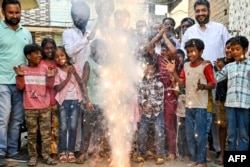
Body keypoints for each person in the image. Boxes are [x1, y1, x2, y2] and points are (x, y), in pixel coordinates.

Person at [181, 0, 229, 159]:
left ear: (209, 11)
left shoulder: (219, 28)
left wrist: (223, 61)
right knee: (201, 116)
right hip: (196, 83)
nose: (201, 13)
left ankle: (219, 148)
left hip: (218, 78)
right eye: (198, 11)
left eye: (203, 10)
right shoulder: (190, 32)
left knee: (217, 116)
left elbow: (227, 50)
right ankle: (204, 150)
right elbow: (184, 55)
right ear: (194, 13)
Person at [164, 38, 216, 167]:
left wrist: (203, 86)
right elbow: (181, 83)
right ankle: (195, 159)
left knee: (201, 135)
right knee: (190, 135)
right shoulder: (186, 66)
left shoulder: (206, 66)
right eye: (188, 52)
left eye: (193, 51)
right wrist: (173, 72)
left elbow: (213, 83)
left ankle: (202, 161)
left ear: (201, 51)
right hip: (189, 105)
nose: (190, 54)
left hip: (202, 106)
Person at [14, 43, 57, 166]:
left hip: (44, 107)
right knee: (32, 134)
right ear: (28, 56)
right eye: (36, 53)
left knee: (46, 134)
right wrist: (20, 76)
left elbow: (49, 86)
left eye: (40, 53)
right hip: (30, 108)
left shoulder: (44, 68)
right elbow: (20, 87)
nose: (39, 55)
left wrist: (50, 76)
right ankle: (33, 156)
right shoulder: (23, 69)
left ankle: (46, 156)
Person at [0, 0, 32, 165]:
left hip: (20, 83)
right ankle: (0, 151)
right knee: (3, 118)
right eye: (11, 12)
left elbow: (30, 59)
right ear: (3, 12)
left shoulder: (26, 33)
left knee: (17, 119)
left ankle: (12, 151)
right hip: (2, 81)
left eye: (17, 12)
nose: (14, 16)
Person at [62, 0, 91, 155]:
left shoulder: (92, 32)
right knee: (74, 116)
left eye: (81, 14)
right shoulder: (68, 33)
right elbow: (70, 52)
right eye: (75, 14)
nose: (78, 17)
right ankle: (74, 148)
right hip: (73, 79)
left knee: (89, 115)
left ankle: (87, 148)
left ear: (87, 15)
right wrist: (86, 40)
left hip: (91, 81)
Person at [215, 36, 249, 151]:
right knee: (231, 135)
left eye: (237, 49)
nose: (234, 52)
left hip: (245, 105)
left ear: (245, 49)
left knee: (244, 135)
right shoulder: (229, 67)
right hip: (230, 105)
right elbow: (216, 79)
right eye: (232, 49)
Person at [76, 39, 107, 164]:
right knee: (88, 129)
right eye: (98, 48)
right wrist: (87, 100)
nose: (100, 51)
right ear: (93, 49)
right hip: (92, 102)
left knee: (100, 129)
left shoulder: (106, 64)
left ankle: (96, 153)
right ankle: (83, 153)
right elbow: (83, 83)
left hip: (103, 102)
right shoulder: (88, 63)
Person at [54, 46, 83, 163]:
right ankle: (62, 151)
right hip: (63, 101)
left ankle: (70, 151)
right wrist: (68, 77)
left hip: (76, 100)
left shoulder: (75, 67)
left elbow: (81, 82)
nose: (59, 58)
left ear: (66, 56)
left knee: (72, 127)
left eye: (62, 55)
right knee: (63, 127)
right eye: (56, 56)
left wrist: (74, 73)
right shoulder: (57, 70)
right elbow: (57, 88)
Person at [135, 59, 166, 165]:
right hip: (146, 113)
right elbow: (140, 97)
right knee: (141, 133)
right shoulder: (142, 84)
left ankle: (160, 155)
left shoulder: (159, 84)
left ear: (155, 71)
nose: (148, 70)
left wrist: (151, 104)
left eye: (151, 69)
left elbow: (160, 100)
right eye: (146, 68)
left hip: (157, 113)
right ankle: (141, 154)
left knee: (159, 132)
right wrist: (145, 103)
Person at [213, 38, 234, 165]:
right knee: (222, 127)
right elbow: (217, 80)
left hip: (234, 100)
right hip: (221, 99)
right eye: (227, 47)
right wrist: (220, 68)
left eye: (233, 48)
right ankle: (222, 154)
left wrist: (223, 68)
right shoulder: (219, 62)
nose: (229, 50)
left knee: (234, 128)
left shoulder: (239, 62)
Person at [40, 38, 58, 160]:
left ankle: (54, 151)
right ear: (42, 49)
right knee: (44, 128)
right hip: (43, 101)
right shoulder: (40, 64)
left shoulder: (58, 62)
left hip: (56, 100)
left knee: (55, 127)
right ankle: (44, 151)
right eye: (46, 48)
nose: (49, 50)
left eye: (52, 48)